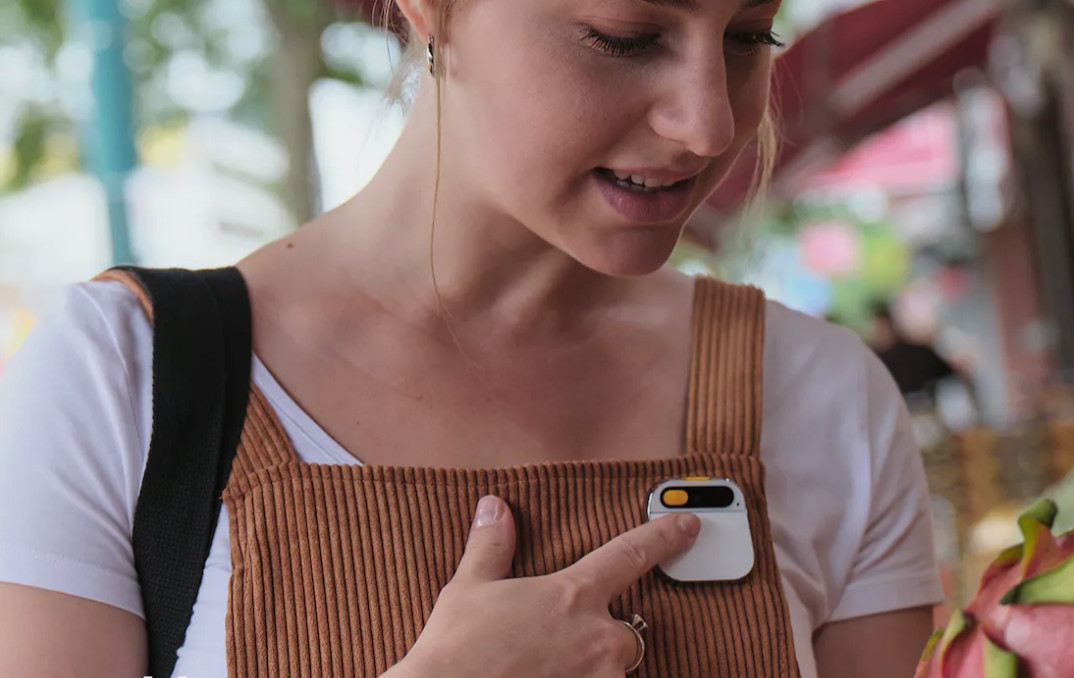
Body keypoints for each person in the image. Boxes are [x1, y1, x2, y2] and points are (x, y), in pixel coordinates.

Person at [0, 0, 944, 676]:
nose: (709, 123)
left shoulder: (824, 396)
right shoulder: (121, 380)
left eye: (748, 36)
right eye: (626, 37)